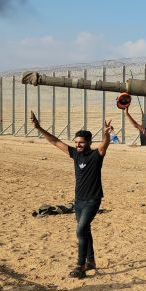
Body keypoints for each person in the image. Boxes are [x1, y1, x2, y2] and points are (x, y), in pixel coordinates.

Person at [30, 111, 113, 279]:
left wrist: (106, 134)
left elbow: (105, 144)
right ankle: (91, 261)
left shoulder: (96, 155)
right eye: (76, 143)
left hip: (92, 200)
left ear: (89, 142)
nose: (78, 145)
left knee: (80, 230)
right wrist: (39, 128)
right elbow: (55, 141)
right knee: (85, 230)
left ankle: (80, 266)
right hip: (79, 201)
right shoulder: (75, 155)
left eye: (81, 143)